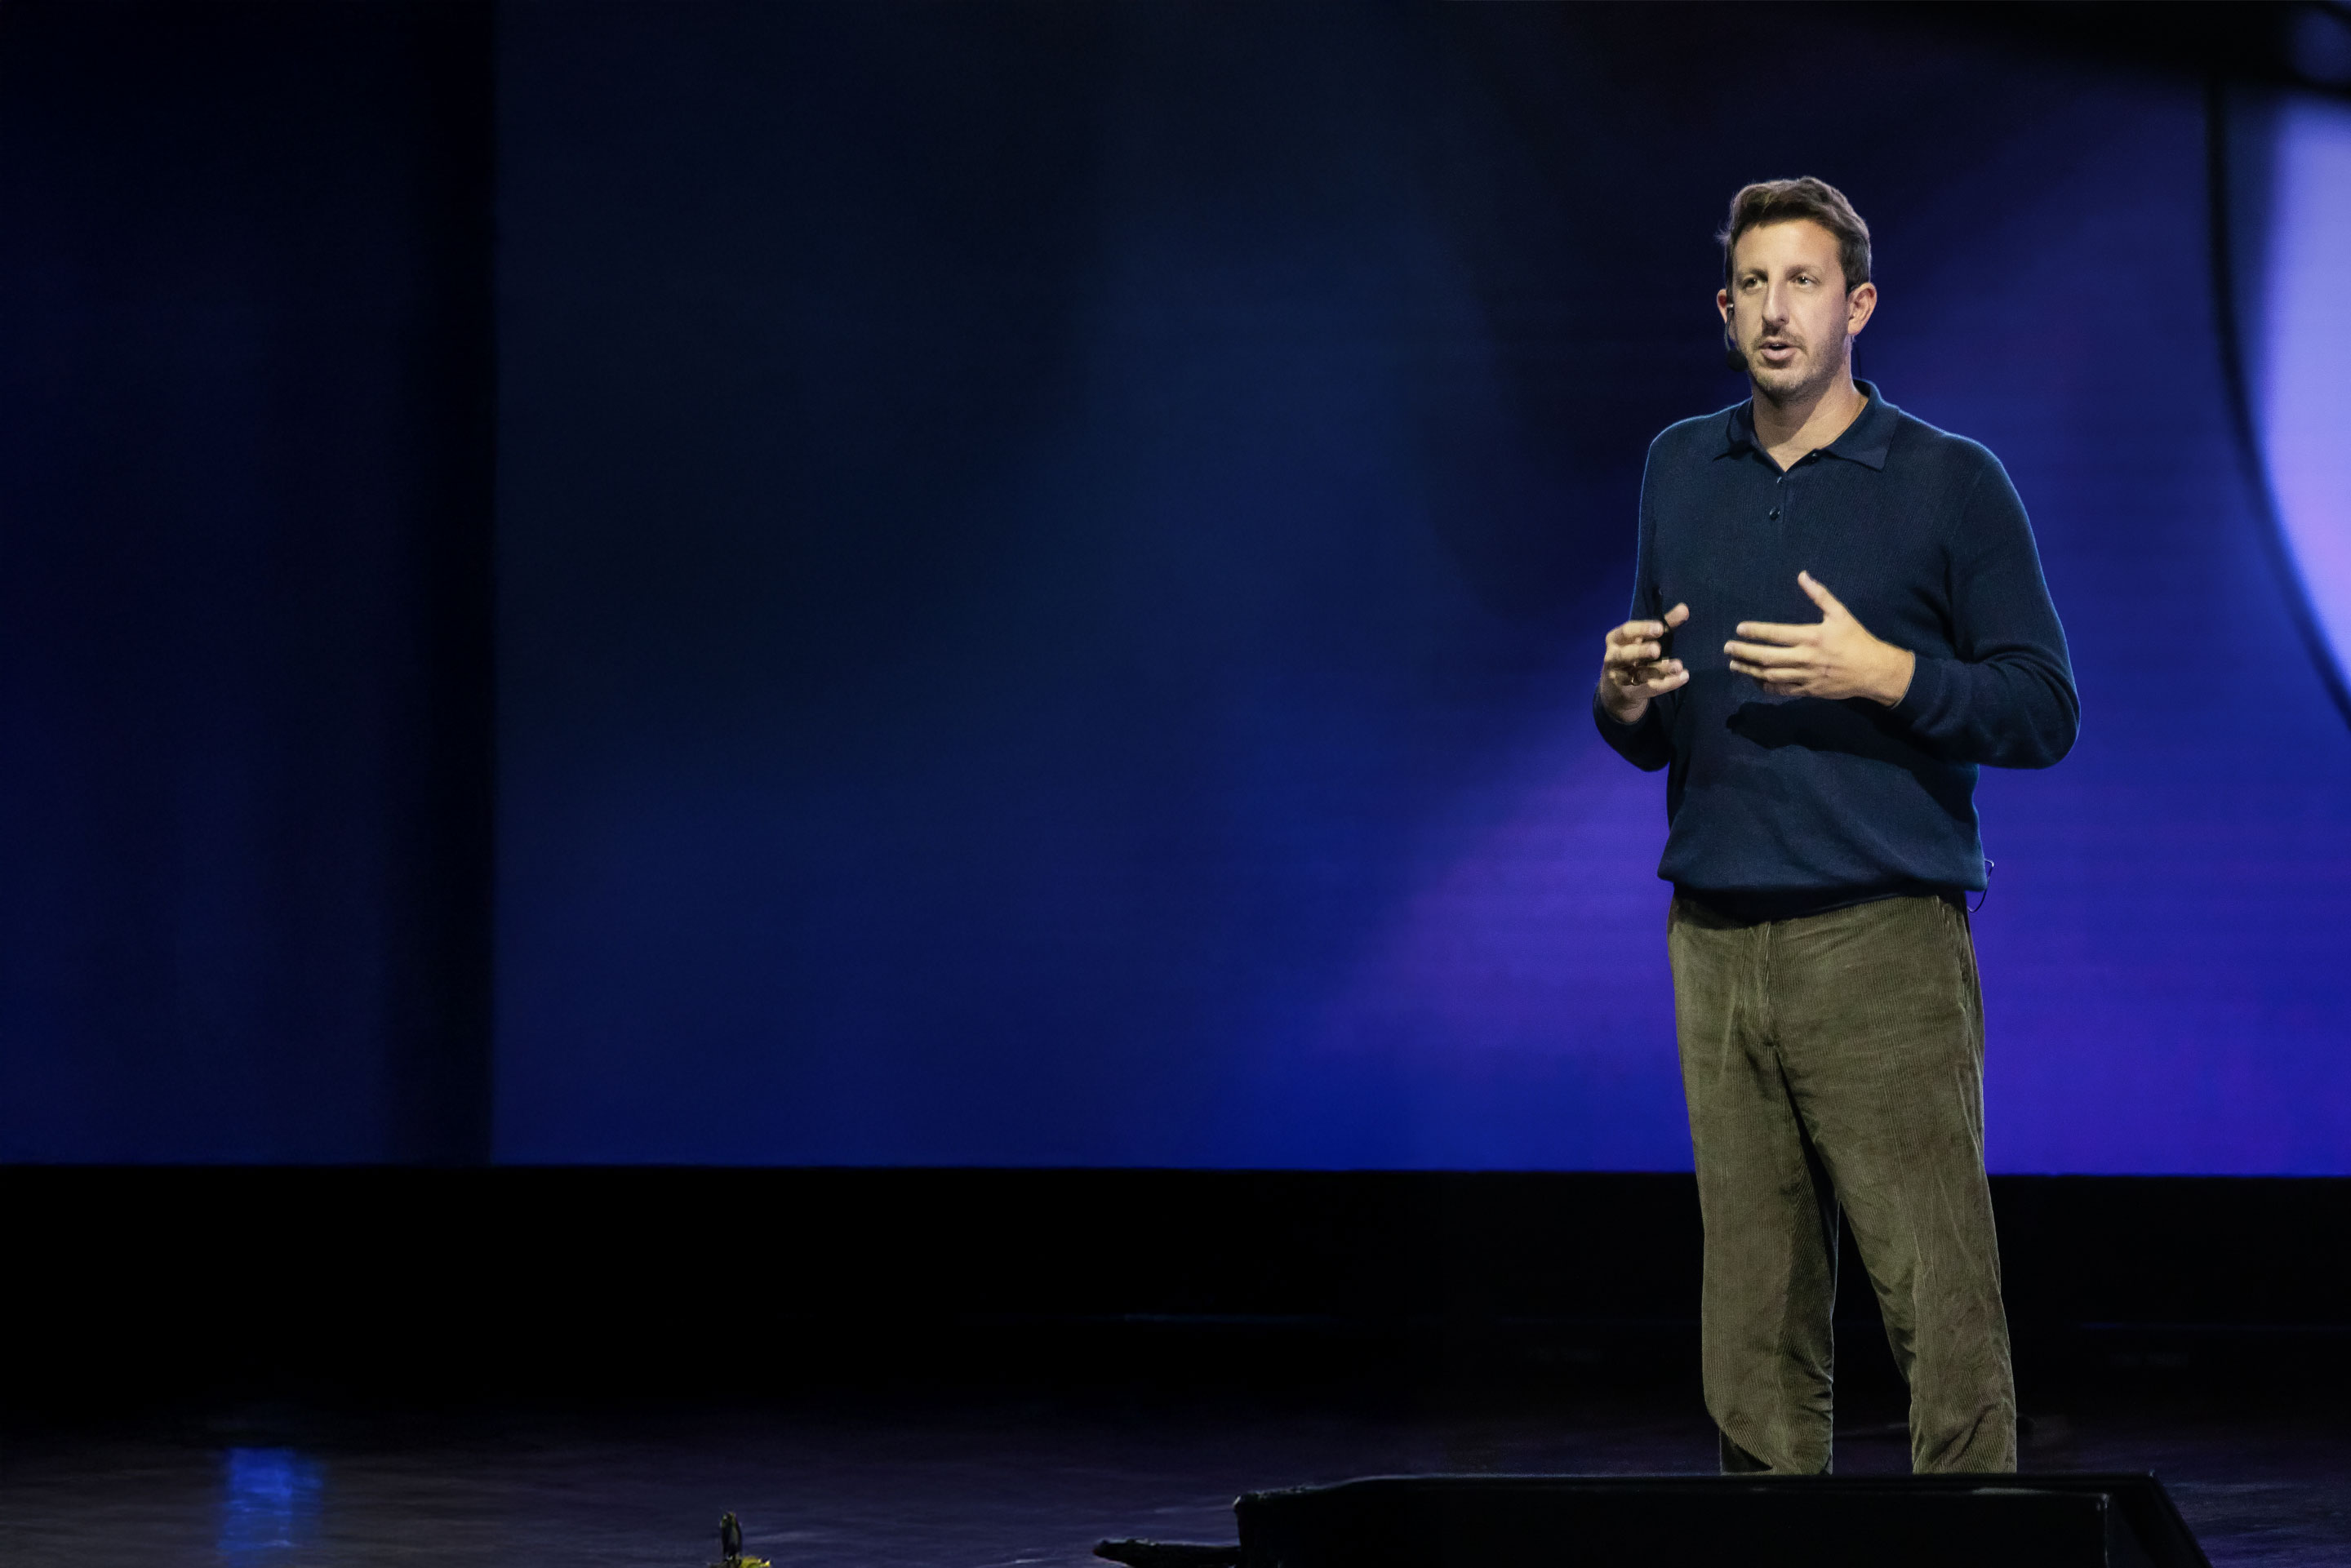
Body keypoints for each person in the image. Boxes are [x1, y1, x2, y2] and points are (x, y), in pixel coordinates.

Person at [1593, 177, 2078, 1475]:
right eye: (1752, 284)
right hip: (1715, 936)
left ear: (1858, 304)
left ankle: (1977, 1550)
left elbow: (2044, 707)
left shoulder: (1950, 482)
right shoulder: (1678, 467)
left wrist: (1892, 676)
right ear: (1723, 307)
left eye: (1802, 281)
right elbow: (1651, 722)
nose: (1774, 309)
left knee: (1939, 1299)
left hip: (1880, 940)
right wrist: (1620, 698)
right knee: (1751, 1320)